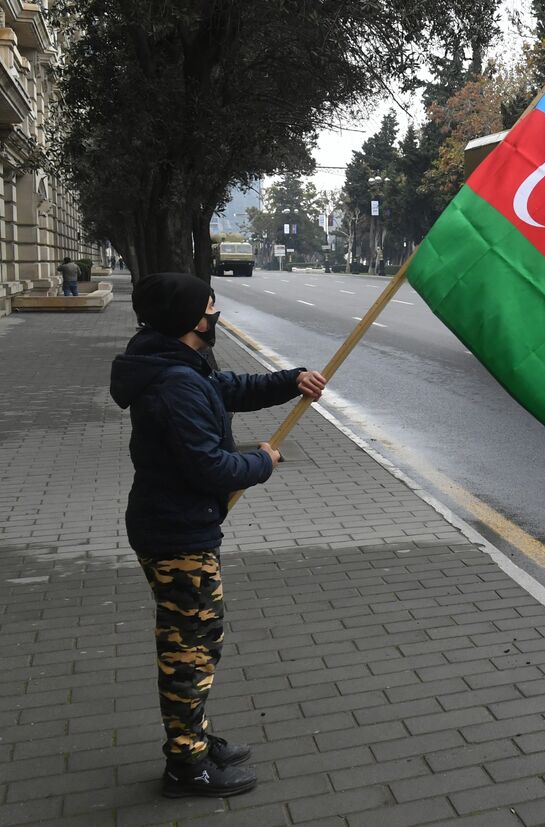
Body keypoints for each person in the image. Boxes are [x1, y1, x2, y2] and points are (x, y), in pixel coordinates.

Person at [109, 272, 326, 798]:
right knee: (190, 650)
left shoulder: (176, 364)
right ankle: (186, 767)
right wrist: (262, 460)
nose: (215, 319)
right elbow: (211, 468)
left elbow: (228, 389)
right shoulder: (175, 383)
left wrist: (289, 380)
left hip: (175, 525)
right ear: (190, 321)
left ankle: (196, 739)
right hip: (176, 535)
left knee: (197, 641)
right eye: (210, 310)